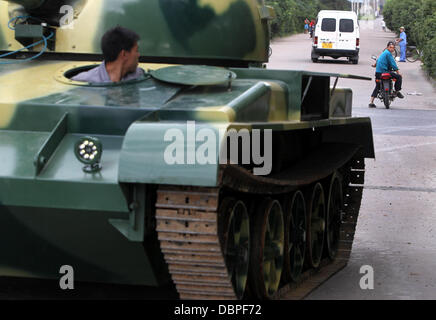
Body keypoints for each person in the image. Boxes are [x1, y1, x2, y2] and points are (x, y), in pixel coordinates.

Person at [72, 26, 144, 83]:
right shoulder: (82, 82)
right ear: (124, 54)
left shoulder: (139, 75)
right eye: (136, 51)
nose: (138, 55)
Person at [369, 41, 404, 108]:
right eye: (390, 47)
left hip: (378, 73)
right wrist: (398, 73)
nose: (392, 49)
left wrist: (374, 65)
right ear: (387, 47)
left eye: (393, 48)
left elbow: (378, 60)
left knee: (377, 86)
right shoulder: (388, 54)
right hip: (385, 72)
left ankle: (371, 102)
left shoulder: (384, 53)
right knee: (399, 77)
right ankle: (397, 91)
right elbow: (393, 64)